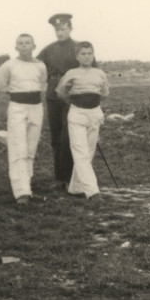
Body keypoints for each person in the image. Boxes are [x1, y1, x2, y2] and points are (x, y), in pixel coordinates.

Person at [38, 13, 96, 189]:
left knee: (68, 136)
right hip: (53, 95)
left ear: (70, 28)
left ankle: (71, 176)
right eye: (57, 29)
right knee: (56, 136)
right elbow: (37, 67)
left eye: (63, 28)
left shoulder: (79, 48)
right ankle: (59, 178)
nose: (59, 32)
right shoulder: (48, 49)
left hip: (72, 96)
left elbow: (92, 70)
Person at [0, 34, 48, 204]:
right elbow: (1, 85)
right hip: (17, 107)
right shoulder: (9, 65)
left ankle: (27, 186)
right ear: (16, 47)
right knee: (18, 147)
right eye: (20, 44)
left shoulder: (40, 65)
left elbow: (42, 83)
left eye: (27, 43)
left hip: (36, 107)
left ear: (34, 46)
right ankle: (21, 192)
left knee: (31, 148)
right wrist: (18, 93)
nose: (24, 46)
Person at [55, 42, 110, 200]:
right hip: (77, 114)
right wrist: (76, 102)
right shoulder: (71, 73)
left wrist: (92, 101)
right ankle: (93, 191)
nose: (87, 56)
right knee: (80, 153)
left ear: (93, 55)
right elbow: (61, 93)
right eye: (83, 54)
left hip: (94, 113)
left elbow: (105, 94)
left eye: (89, 53)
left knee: (89, 152)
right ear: (77, 56)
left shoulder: (99, 73)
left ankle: (75, 187)